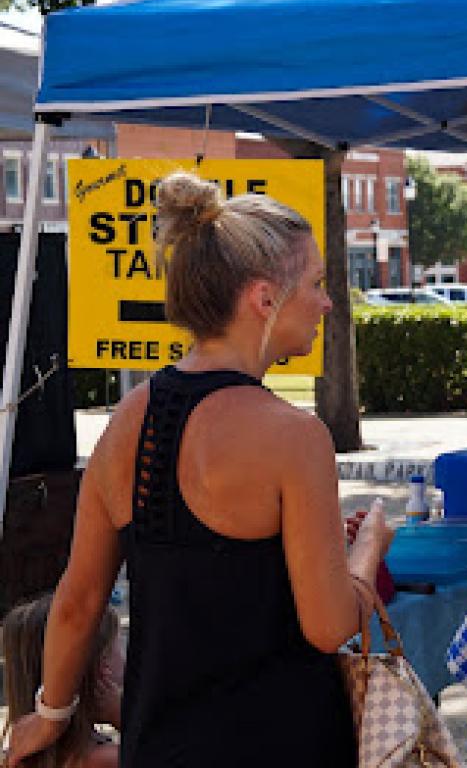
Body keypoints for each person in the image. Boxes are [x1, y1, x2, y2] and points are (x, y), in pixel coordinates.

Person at [4, 172, 392, 768]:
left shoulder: (127, 421)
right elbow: (328, 625)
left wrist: (50, 714)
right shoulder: (294, 436)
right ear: (264, 298)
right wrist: (366, 552)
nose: (327, 301)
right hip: (283, 742)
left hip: (160, 746)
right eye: (317, 282)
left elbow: (79, 598)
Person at [2, 596, 122, 768]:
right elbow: (164, 752)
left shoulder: (17, 759)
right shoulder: (105, 760)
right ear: (102, 669)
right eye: (117, 646)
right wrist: (120, 716)